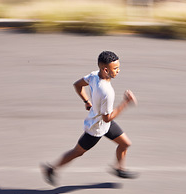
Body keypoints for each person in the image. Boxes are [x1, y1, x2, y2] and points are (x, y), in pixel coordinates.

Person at [41, 51, 138, 185]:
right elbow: (107, 118)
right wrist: (125, 103)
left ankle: (119, 168)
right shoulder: (107, 92)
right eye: (115, 68)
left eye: (118, 67)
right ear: (105, 69)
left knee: (125, 143)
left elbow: (77, 85)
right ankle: (51, 169)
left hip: (104, 123)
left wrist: (87, 101)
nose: (118, 70)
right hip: (96, 128)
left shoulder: (94, 75)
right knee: (77, 152)